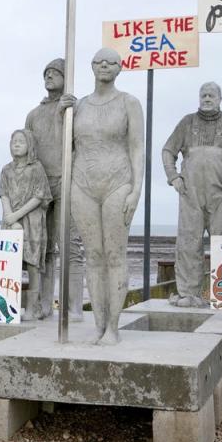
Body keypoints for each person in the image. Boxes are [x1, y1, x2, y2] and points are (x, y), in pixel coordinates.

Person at [62, 48, 144, 345]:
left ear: (120, 68)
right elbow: (68, 147)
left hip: (117, 182)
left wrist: (136, 190)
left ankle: (113, 326)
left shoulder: (129, 103)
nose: (105, 66)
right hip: (82, 184)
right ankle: (98, 324)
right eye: (99, 62)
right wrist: (64, 114)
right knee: (93, 256)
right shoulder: (79, 105)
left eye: (111, 62)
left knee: (114, 254)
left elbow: (137, 147)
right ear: (92, 67)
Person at [162, 81, 222, 308]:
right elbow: (168, 151)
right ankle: (188, 293)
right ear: (199, 98)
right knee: (188, 243)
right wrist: (173, 177)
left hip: (221, 194)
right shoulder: (186, 123)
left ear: (219, 99)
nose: (207, 98)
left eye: (211, 95)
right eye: (203, 95)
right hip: (190, 194)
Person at [25, 58, 86, 321]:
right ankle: (43, 305)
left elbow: (80, 142)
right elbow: (27, 153)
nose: (49, 77)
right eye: (46, 73)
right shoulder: (33, 115)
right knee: (42, 247)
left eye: (55, 73)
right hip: (40, 185)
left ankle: (74, 308)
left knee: (70, 245)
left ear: (65, 77)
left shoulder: (74, 107)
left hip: (67, 181)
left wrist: (64, 114)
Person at [0, 129, 52, 321]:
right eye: (14, 141)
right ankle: (8, 306)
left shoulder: (36, 168)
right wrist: (9, 217)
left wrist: (18, 216)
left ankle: (33, 306)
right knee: (9, 262)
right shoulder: (6, 169)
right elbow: (3, 193)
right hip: (11, 221)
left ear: (29, 145)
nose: (17, 144)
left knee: (32, 263)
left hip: (32, 221)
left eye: (21, 141)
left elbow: (40, 196)